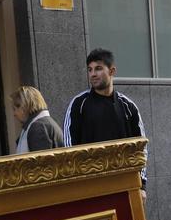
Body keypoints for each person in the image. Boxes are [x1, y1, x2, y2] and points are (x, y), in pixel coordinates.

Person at [62, 48, 147, 187]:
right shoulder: (78, 104)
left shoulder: (128, 106)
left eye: (98, 69)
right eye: (90, 70)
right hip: (90, 185)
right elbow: (69, 149)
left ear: (112, 71)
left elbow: (141, 148)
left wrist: (142, 185)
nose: (93, 74)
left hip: (126, 184)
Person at [10, 86, 63, 153]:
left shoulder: (38, 127)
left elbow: (42, 162)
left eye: (15, 109)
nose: (14, 114)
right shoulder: (39, 124)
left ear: (25, 106)